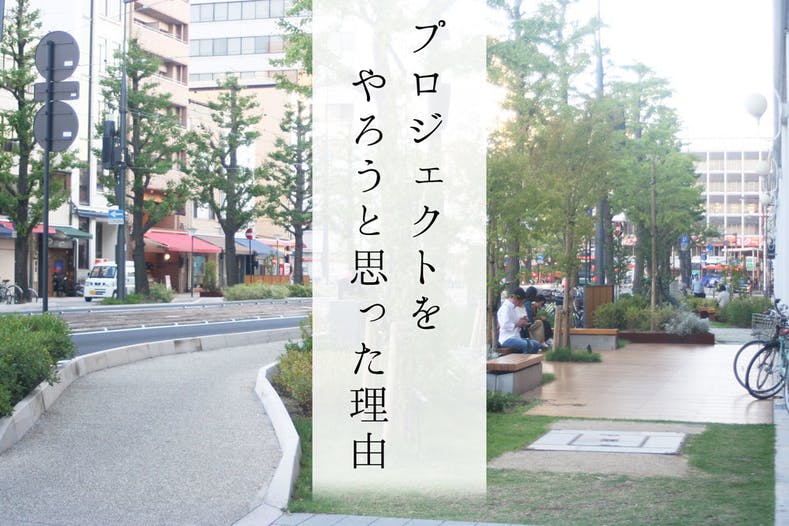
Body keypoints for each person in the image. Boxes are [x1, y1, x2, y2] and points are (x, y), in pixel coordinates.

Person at [497, 288, 541, 354]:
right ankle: (524, 359)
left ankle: (530, 359)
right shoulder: (505, 308)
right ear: (515, 298)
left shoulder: (514, 307)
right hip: (506, 338)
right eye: (521, 301)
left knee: (536, 344)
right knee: (527, 345)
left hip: (516, 336)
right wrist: (517, 324)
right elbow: (504, 325)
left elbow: (518, 321)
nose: (521, 303)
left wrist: (524, 321)